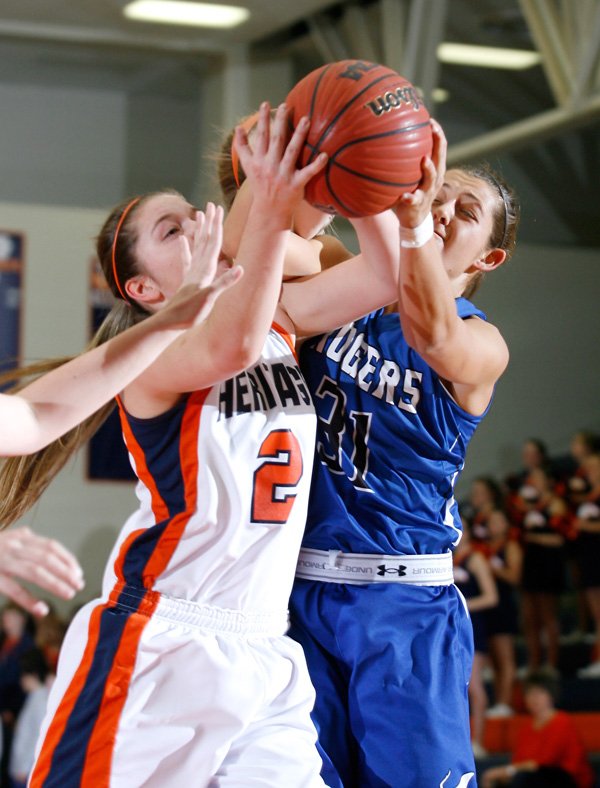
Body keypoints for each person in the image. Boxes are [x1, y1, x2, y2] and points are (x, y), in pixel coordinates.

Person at [5, 102, 400, 787]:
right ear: (142, 288)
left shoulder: (276, 318)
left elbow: (385, 278)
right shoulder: (153, 360)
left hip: (262, 642)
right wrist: (272, 205)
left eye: (194, 211)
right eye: (170, 227)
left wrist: (377, 185)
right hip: (162, 637)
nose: (196, 221)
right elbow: (229, 345)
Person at [287, 120, 521, 787]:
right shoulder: (349, 287)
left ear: (487, 259)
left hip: (403, 605)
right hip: (298, 589)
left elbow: (433, 332)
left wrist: (411, 224)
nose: (443, 207)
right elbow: (278, 246)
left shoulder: (483, 345)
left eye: (464, 211)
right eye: (437, 193)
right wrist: (328, 166)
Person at [0, 204, 243, 617]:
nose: (195, 227)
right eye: (171, 229)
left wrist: (171, 319)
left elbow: (36, 416)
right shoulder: (186, 360)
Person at [480, 673, 594, 788]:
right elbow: (519, 761)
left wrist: (507, 771)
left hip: (565, 779)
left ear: (551, 695)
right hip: (534, 777)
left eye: (539, 693)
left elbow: (543, 763)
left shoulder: (562, 722)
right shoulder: (527, 728)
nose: (534, 698)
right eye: (529, 693)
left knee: (524, 778)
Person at [453, 522, 498, 759]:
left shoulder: (476, 559)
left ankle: (477, 741)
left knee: (475, 685)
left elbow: (491, 597)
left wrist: (460, 605)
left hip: (471, 626)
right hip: (451, 627)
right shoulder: (446, 556)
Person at [483, 508, 522, 718]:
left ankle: (505, 702)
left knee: (506, 657)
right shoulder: (485, 547)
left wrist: (492, 568)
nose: (493, 525)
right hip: (489, 609)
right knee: (494, 660)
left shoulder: (510, 546)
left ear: (506, 525)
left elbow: (515, 577)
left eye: (498, 521)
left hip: (504, 604)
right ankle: (499, 700)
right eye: (490, 521)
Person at [8, 648, 51, 788]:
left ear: (33, 674)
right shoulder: (34, 698)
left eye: (23, 675)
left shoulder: (41, 702)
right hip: (21, 770)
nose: (21, 680)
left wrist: (26, 768)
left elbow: (39, 739)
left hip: (26, 773)